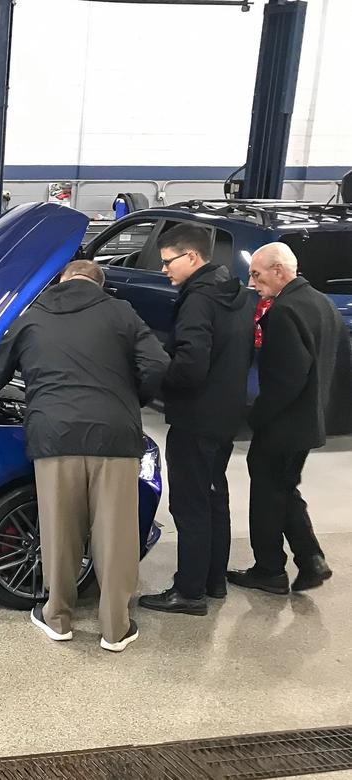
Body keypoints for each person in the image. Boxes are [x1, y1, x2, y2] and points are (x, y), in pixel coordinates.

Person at [0, 260, 168, 652]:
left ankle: (57, 617)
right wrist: (130, 399)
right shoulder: (121, 312)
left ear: (62, 280)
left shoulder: (33, 315)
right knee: (115, 535)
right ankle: (115, 628)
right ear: (99, 284)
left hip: (54, 435)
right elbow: (158, 363)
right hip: (114, 436)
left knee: (59, 530)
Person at [138, 225, 254, 616]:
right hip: (225, 414)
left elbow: (190, 364)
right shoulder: (234, 293)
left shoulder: (197, 301)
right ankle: (212, 580)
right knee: (213, 496)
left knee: (189, 505)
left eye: (168, 261)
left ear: (192, 257)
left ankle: (188, 591)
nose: (164, 270)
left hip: (197, 416)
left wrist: (157, 380)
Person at [229, 242, 352, 594]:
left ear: (279, 271)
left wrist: (257, 417)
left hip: (283, 424)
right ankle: (311, 560)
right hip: (309, 420)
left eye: (256, 274)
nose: (252, 283)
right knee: (284, 489)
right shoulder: (321, 303)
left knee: (268, 495)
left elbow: (286, 380)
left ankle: (269, 569)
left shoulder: (285, 311)